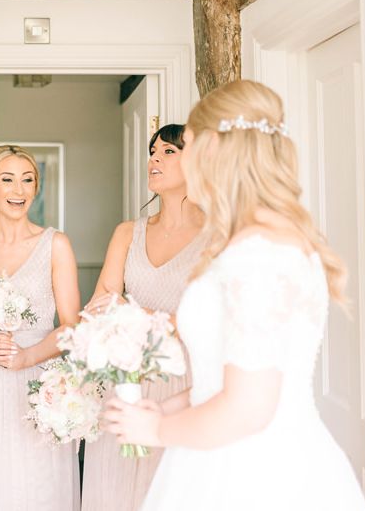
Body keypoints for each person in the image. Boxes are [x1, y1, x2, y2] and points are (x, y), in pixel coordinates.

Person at [104, 80, 365, 510]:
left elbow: (247, 409)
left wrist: (154, 433)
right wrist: (164, 411)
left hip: (250, 471)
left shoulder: (258, 253)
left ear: (210, 150)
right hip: (223, 448)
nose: (178, 159)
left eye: (184, 146)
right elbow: (225, 373)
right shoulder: (258, 239)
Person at [81, 124, 205, 511]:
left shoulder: (218, 236)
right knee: (114, 491)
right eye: (153, 151)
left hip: (183, 383)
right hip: (124, 381)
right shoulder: (126, 234)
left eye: (169, 151)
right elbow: (98, 308)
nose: (154, 158)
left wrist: (135, 313)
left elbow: (215, 326)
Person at [0, 145, 81, 511]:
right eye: (7, 179)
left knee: (37, 486)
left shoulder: (56, 245)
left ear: (36, 188)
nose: (18, 190)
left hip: (38, 377)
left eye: (27, 180)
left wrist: (27, 357)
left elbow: (71, 326)